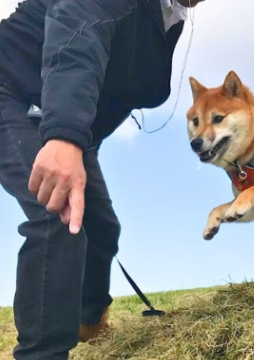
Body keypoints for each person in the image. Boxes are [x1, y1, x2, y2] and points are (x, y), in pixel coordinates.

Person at [0, 0, 205, 358]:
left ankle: (89, 325)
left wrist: (79, 138)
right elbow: (79, 36)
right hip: (11, 93)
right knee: (59, 212)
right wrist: (65, 135)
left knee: (102, 228)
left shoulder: (170, 16)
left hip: (60, 117)